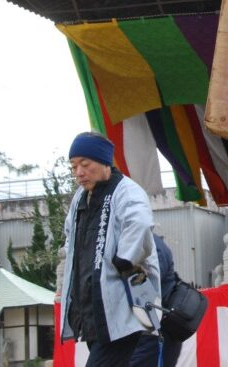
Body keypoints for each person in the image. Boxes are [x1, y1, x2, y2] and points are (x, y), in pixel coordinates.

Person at [60, 131, 159, 367]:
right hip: (91, 308)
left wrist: (125, 258)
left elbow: (140, 223)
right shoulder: (79, 199)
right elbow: (69, 239)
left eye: (85, 164)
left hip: (122, 305)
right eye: (74, 167)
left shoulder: (127, 191)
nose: (79, 173)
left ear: (104, 161)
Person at [130, 234, 182, 367]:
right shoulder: (148, 243)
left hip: (153, 331)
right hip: (152, 329)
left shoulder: (150, 246)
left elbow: (148, 287)